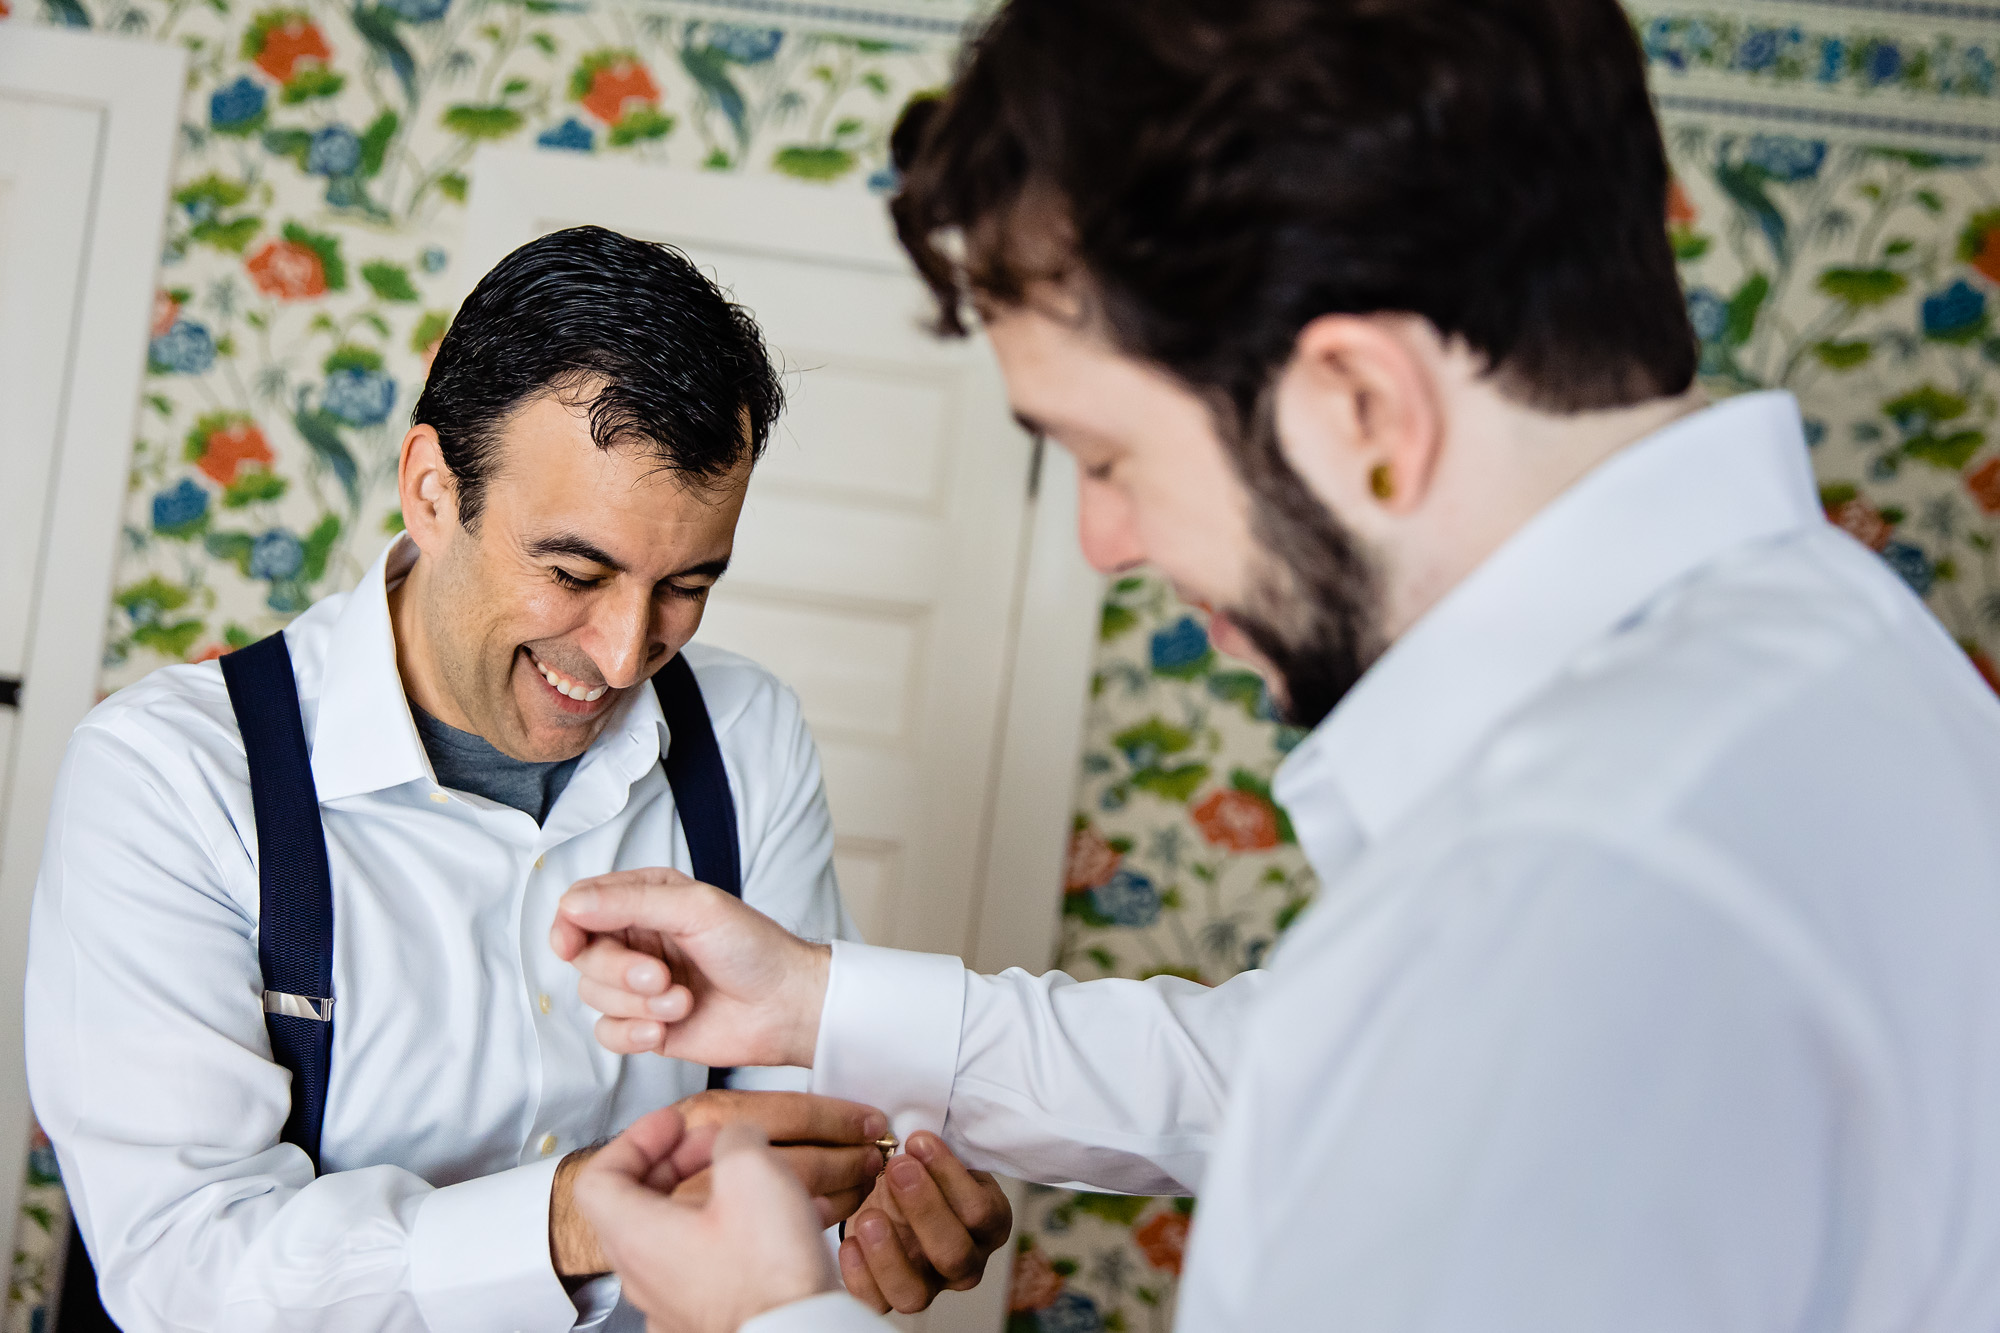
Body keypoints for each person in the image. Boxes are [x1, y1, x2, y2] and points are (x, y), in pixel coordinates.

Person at [543, 0, 2000, 1328]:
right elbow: (1305, 1075)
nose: (1104, 541)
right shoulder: (1822, 649)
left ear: (1365, 400)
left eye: (1110, 455)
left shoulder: (1575, 900)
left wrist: (767, 1322)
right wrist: (818, 1002)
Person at [24, 225, 1006, 1332]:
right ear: (432, 490)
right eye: (576, 572)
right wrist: (575, 1216)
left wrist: (865, 1225)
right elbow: (182, 1269)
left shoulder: (745, 733)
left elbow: (794, 1132)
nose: (627, 651)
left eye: (686, 584)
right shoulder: (168, 778)